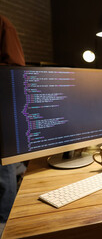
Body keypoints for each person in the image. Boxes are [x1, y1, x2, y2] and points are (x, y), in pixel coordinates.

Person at [0, 14, 26, 235]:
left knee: (3, 165)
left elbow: (15, 71)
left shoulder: (3, 25)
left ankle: (5, 224)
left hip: (2, 110)